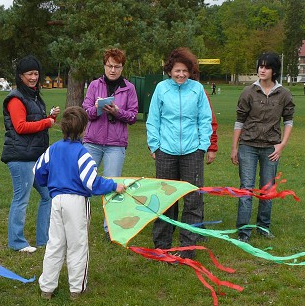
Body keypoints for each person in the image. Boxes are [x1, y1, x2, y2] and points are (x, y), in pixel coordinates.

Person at [34, 107, 125, 299]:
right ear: (84, 129)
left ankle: (47, 288)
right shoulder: (83, 153)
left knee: (55, 244)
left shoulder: (53, 149)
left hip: (56, 200)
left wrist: (49, 184)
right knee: (77, 245)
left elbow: (38, 171)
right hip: (76, 202)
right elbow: (91, 182)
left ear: (62, 127)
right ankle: (77, 289)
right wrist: (113, 185)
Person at [146, 47, 212, 256]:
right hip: (166, 151)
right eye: (177, 70)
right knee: (166, 199)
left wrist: (203, 146)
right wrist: (154, 144)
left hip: (192, 152)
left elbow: (205, 119)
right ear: (169, 70)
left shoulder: (198, 90)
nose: (181, 74)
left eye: (185, 70)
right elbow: (153, 119)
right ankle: (162, 245)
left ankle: (187, 247)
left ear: (190, 71)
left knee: (193, 199)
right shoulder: (161, 89)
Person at [231, 52, 294, 243]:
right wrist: (234, 148)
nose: (262, 70)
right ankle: (243, 231)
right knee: (247, 189)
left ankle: (263, 227)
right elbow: (239, 121)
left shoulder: (284, 94)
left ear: (274, 70)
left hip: (271, 148)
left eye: (266, 67)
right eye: (260, 66)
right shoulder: (248, 92)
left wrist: (282, 145)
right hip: (248, 146)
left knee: (267, 189)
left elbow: (289, 121)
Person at [1, 55, 59, 253]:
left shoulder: (33, 96)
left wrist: (50, 117)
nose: (34, 77)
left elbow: (34, 121)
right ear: (21, 76)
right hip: (20, 157)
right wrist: (47, 123)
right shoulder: (16, 98)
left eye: (36, 73)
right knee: (21, 198)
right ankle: (17, 242)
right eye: (29, 74)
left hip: (35, 155)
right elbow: (20, 126)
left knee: (48, 195)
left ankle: (44, 239)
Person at [82, 48, 138, 235]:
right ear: (104, 65)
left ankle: (110, 228)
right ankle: (80, 223)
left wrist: (117, 112)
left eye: (117, 66)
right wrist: (97, 108)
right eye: (109, 66)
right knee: (84, 182)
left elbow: (133, 116)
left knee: (113, 186)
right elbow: (85, 111)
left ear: (122, 68)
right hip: (92, 142)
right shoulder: (94, 85)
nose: (113, 70)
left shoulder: (129, 88)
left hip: (116, 145)